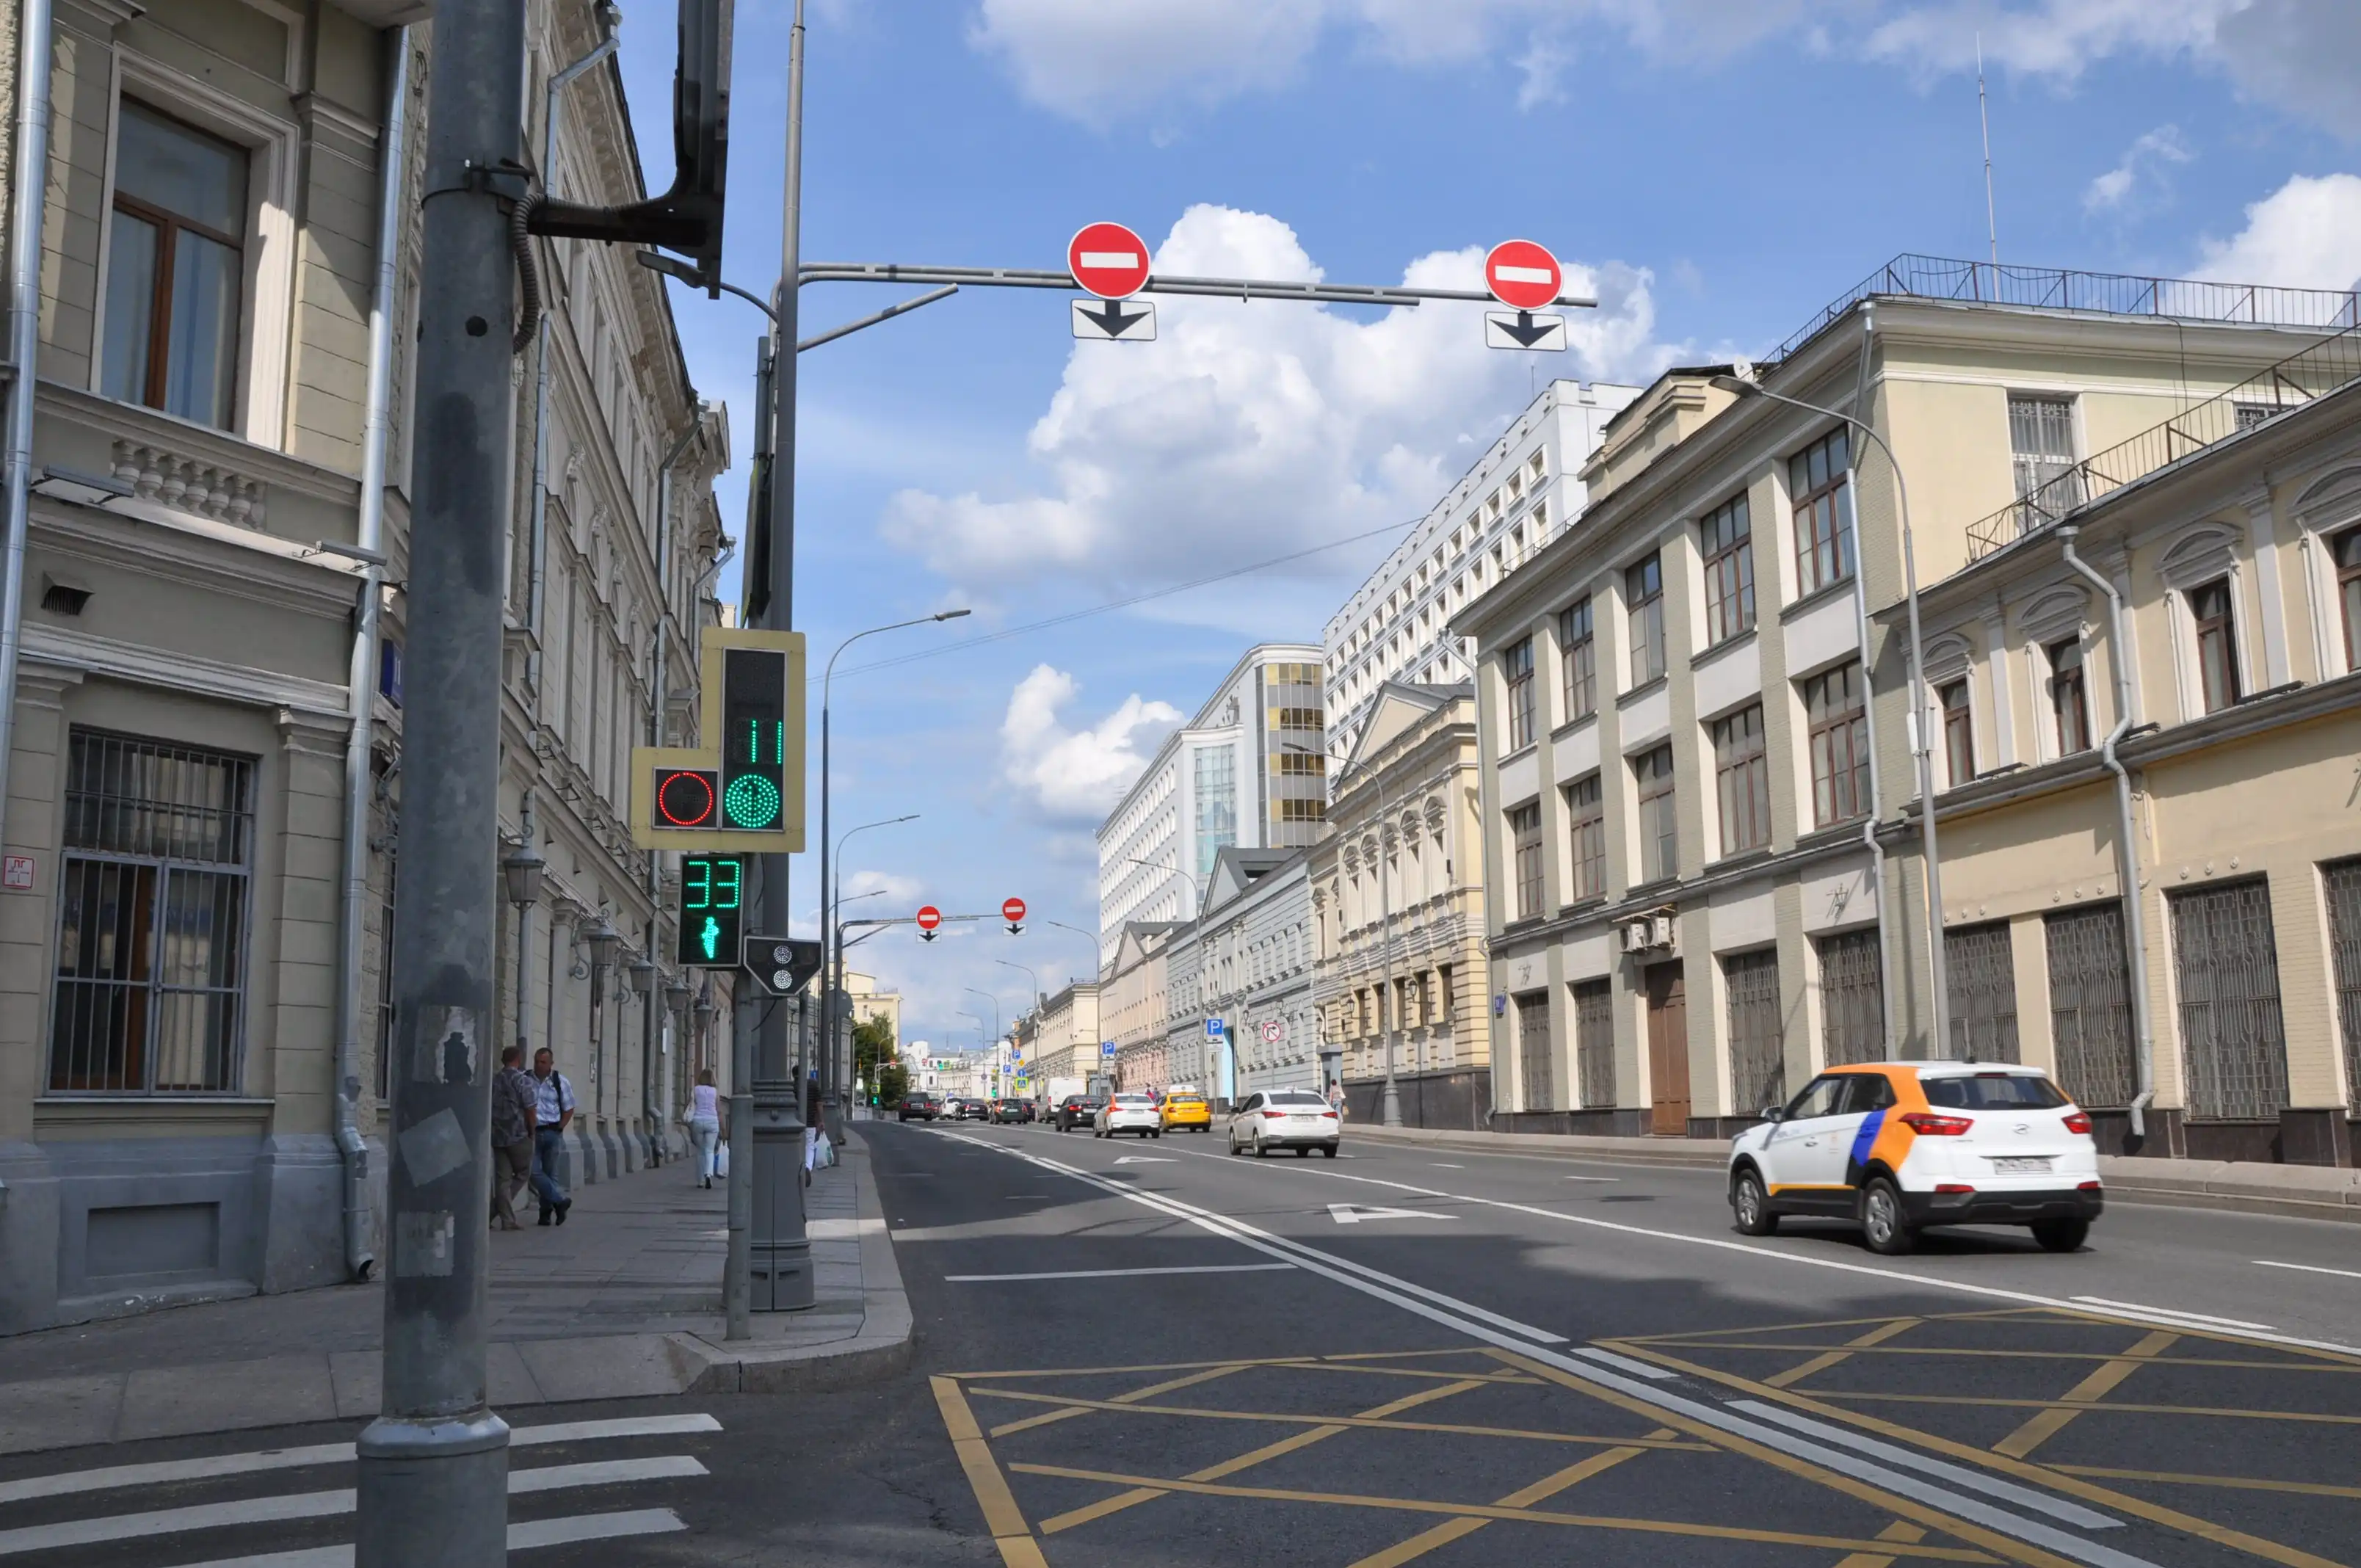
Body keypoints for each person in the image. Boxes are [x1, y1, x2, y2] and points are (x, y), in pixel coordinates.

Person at [489, 1043, 536, 1230]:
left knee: (503, 1179)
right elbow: (530, 1109)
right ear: (518, 1059)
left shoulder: (494, 1080)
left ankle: (506, 1219)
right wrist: (532, 1131)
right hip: (518, 1134)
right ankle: (495, 1213)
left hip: (498, 1135)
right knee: (523, 1173)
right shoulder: (523, 1081)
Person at [529, 1046, 575, 1225]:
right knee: (532, 1171)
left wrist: (560, 1127)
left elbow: (569, 1107)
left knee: (550, 1174)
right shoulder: (526, 1079)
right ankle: (559, 1201)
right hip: (532, 1133)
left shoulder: (560, 1082)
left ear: (551, 1064)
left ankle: (545, 1214)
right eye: (536, 1061)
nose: (539, 1065)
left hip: (552, 1133)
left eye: (543, 1062)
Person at [684, 1067, 722, 1188]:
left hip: (698, 1121)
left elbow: (690, 1105)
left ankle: (700, 1180)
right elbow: (719, 1110)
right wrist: (723, 1128)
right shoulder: (715, 1092)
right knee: (710, 1150)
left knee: (700, 1151)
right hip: (712, 1122)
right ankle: (708, 1174)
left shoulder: (695, 1090)